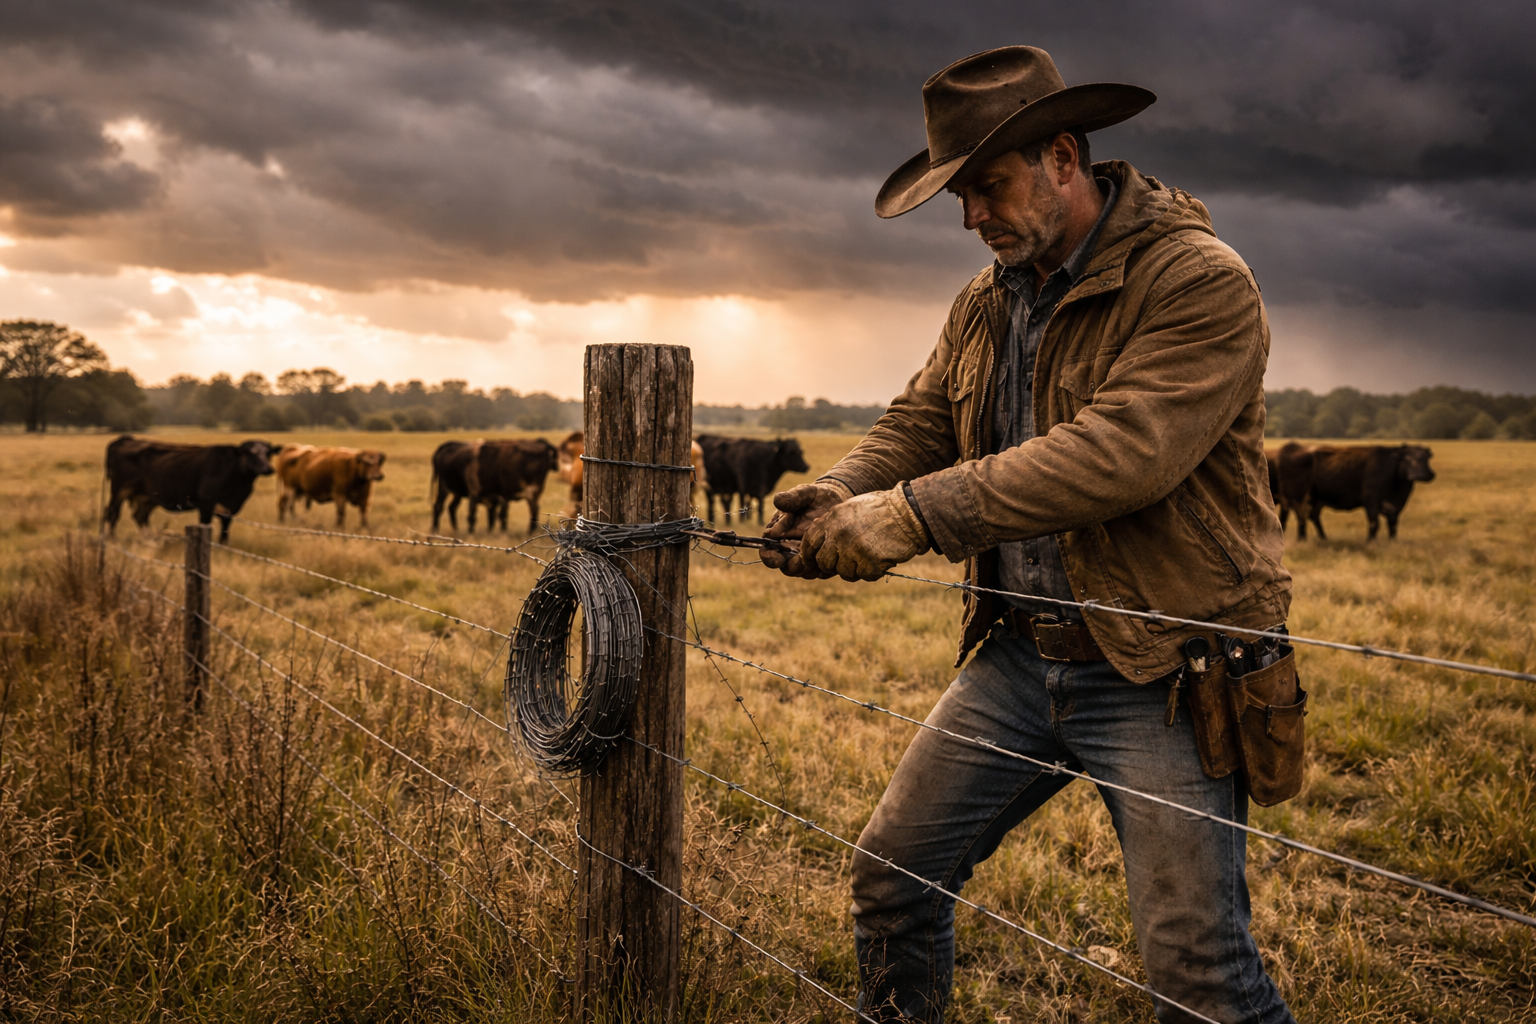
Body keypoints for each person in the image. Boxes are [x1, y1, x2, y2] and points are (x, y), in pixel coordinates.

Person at [760, 46, 1296, 1024]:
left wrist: (908, 516)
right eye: (960, 196)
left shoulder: (1197, 280)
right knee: (891, 878)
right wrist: (835, 490)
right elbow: (922, 418)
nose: (972, 219)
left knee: (1198, 974)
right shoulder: (991, 294)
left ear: (1063, 156)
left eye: (988, 188)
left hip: (1165, 666)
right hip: (1018, 655)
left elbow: (1119, 454)